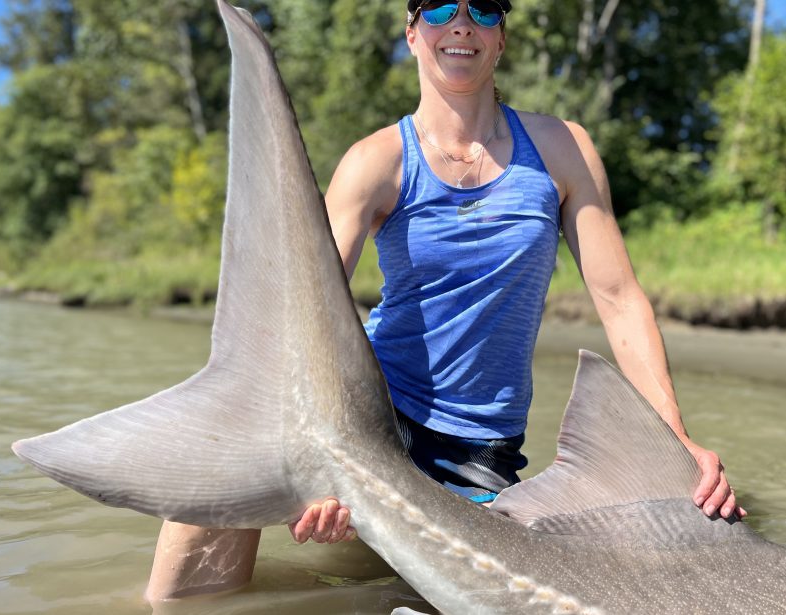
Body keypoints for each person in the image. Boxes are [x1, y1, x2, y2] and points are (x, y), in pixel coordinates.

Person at [145, 0, 744, 601]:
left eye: (483, 9)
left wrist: (674, 439)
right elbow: (299, 322)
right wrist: (325, 455)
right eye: (438, 7)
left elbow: (618, 299)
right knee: (214, 482)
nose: (462, 23)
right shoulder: (375, 161)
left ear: (501, 38)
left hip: (478, 454)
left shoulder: (562, 147)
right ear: (412, 33)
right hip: (371, 421)